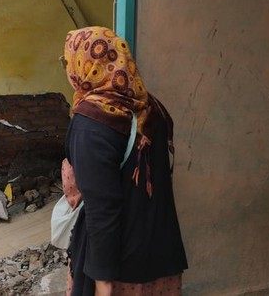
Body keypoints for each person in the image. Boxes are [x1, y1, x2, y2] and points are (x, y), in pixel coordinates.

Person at [62, 26, 187, 296]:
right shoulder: (151, 107)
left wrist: (103, 282)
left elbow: (102, 209)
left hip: (120, 266)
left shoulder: (91, 123)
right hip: (160, 253)